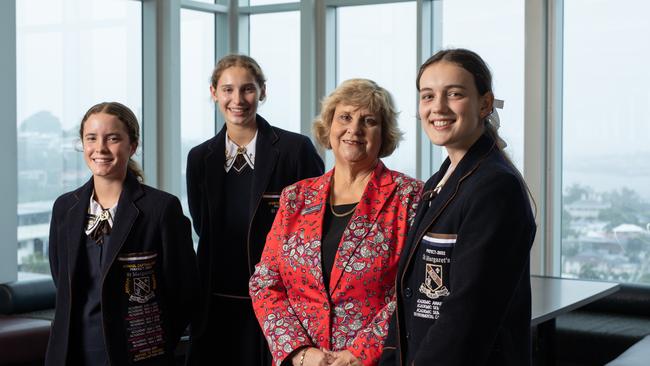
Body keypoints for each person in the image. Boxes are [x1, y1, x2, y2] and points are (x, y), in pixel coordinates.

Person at [379, 48, 537, 366]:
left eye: (454, 94)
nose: (438, 107)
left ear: (485, 104)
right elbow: (408, 296)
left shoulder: (494, 187)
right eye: (427, 96)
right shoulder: (440, 181)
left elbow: (468, 312)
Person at [250, 78, 423, 366]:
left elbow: (414, 289)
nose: (354, 129)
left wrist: (360, 354)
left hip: (376, 361)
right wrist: (300, 352)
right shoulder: (296, 197)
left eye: (368, 120)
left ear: (384, 134)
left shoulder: (410, 198)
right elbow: (265, 281)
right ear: (329, 126)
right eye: (345, 117)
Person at [185, 54, 324, 366]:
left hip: (280, 303)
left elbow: (315, 229)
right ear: (214, 93)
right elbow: (202, 226)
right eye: (228, 90)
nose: (238, 100)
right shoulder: (199, 158)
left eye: (247, 89)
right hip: (216, 301)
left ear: (263, 91)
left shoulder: (294, 151)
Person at [45, 102, 199, 366]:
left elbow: (184, 292)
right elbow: (62, 279)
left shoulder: (160, 209)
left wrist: (153, 343)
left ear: (133, 145)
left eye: (113, 138)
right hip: (72, 351)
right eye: (91, 138)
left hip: (137, 354)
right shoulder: (65, 208)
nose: (100, 148)